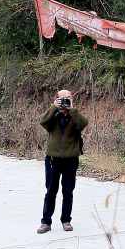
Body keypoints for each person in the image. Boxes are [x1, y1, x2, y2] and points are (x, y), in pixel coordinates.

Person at [38, 89, 89, 234]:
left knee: (68, 192)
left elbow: (83, 123)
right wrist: (54, 107)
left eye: (69, 98)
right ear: (58, 100)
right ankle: (46, 222)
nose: (67, 100)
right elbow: (42, 121)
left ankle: (66, 220)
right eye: (63, 98)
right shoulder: (53, 116)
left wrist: (72, 109)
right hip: (53, 159)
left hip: (70, 159)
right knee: (51, 191)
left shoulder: (75, 116)